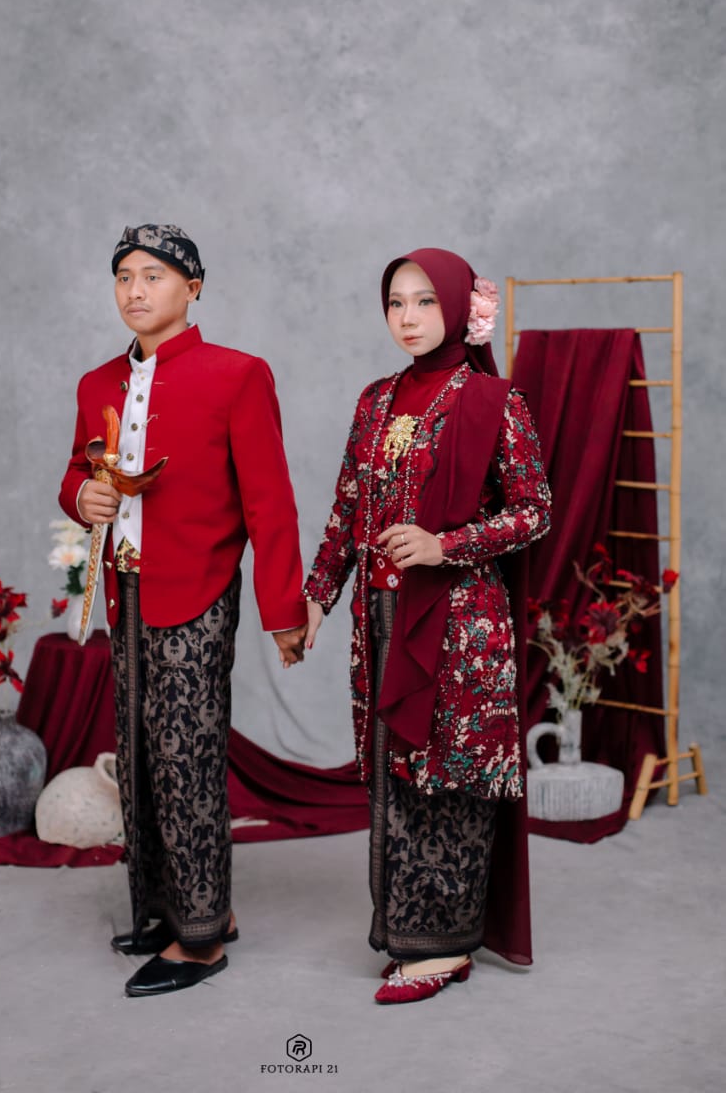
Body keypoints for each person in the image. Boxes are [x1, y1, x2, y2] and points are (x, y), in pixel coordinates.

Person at [59, 223, 307, 997]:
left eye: (154, 276)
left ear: (192, 288)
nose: (135, 291)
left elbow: (270, 503)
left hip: (198, 590)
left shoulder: (238, 375)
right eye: (123, 277)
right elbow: (74, 472)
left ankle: (200, 941)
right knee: (139, 758)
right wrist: (82, 494)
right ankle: (174, 909)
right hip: (126, 595)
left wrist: (283, 610)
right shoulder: (96, 383)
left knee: (185, 760)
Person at [302, 248, 550, 1004]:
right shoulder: (375, 400)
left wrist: (447, 546)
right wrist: (315, 598)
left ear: (459, 309)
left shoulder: (494, 401)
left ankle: (443, 947)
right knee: (395, 775)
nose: (407, 318)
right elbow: (348, 508)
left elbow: (534, 511)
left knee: (447, 776)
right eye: (395, 303)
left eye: (424, 302)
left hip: (460, 626)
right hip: (380, 620)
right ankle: (406, 931)